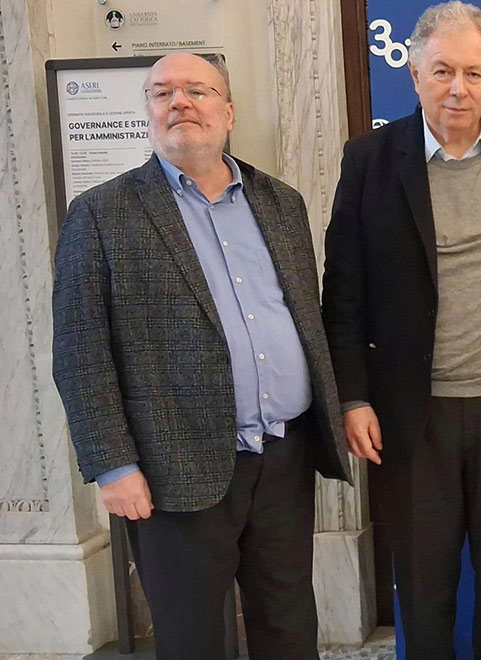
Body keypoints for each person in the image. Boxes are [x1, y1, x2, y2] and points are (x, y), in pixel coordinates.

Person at [51, 52, 349, 659]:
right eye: (162, 93)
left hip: (284, 456)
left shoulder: (281, 202)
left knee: (289, 626)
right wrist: (113, 465)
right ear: (149, 112)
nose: (179, 102)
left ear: (228, 112)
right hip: (173, 467)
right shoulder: (103, 213)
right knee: (193, 639)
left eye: (197, 90)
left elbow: (305, 318)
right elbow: (80, 351)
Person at [321, 2, 481, 657]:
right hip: (411, 416)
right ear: (414, 73)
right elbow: (343, 292)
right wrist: (353, 396)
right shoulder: (370, 160)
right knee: (424, 588)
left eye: (473, 73)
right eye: (443, 71)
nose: (459, 88)